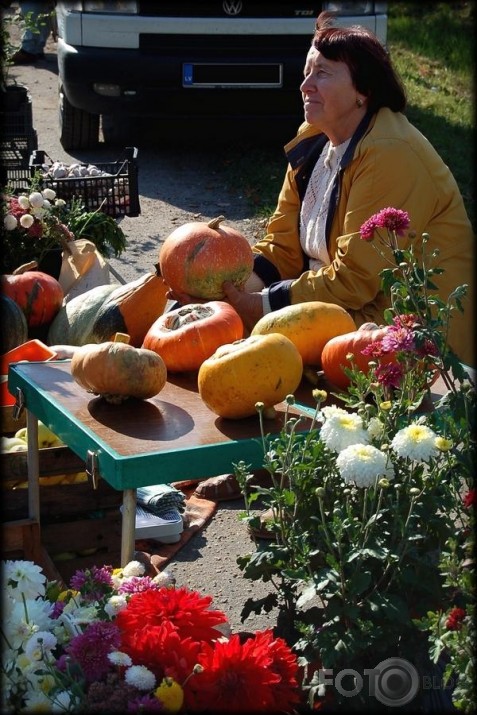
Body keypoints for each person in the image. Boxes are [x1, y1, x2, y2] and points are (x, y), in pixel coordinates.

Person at [175, 10, 475, 499]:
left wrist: (262, 306)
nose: (305, 85)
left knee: (267, 347)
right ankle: (273, 472)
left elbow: (356, 279)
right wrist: (234, 288)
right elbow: (282, 244)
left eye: (322, 73)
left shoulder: (390, 152)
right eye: (305, 72)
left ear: (364, 91)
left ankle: (293, 481)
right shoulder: (316, 139)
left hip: (410, 327)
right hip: (342, 307)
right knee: (228, 335)